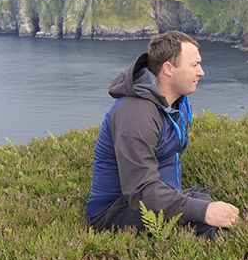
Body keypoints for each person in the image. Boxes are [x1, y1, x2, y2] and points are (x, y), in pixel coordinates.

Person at [85, 31, 239, 239]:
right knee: (209, 224)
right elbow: (140, 190)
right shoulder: (136, 113)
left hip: (161, 197)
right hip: (116, 212)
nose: (201, 72)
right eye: (194, 65)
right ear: (168, 69)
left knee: (216, 211)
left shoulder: (177, 103)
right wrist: (202, 211)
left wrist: (198, 206)